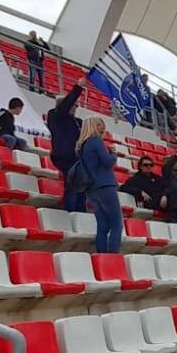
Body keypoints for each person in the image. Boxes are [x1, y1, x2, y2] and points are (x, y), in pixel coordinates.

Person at [78, 117, 121, 253]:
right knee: (116, 225)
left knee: (102, 225)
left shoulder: (83, 145)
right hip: (105, 185)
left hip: (92, 188)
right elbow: (108, 162)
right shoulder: (96, 141)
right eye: (99, 124)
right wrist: (114, 154)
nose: (103, 126)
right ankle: (113, 257)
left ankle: (102, 257)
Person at [46, 80, 86, 210]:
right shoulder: (55, 116)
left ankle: (80, 212)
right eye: (73, 105)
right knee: (73, 183)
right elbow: (65, 105)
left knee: (81, 185)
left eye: (76, 106)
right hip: (63, 155)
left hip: (76, 157)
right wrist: (78, 87)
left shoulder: (77, 122)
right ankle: (71, 211)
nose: (75, 108)